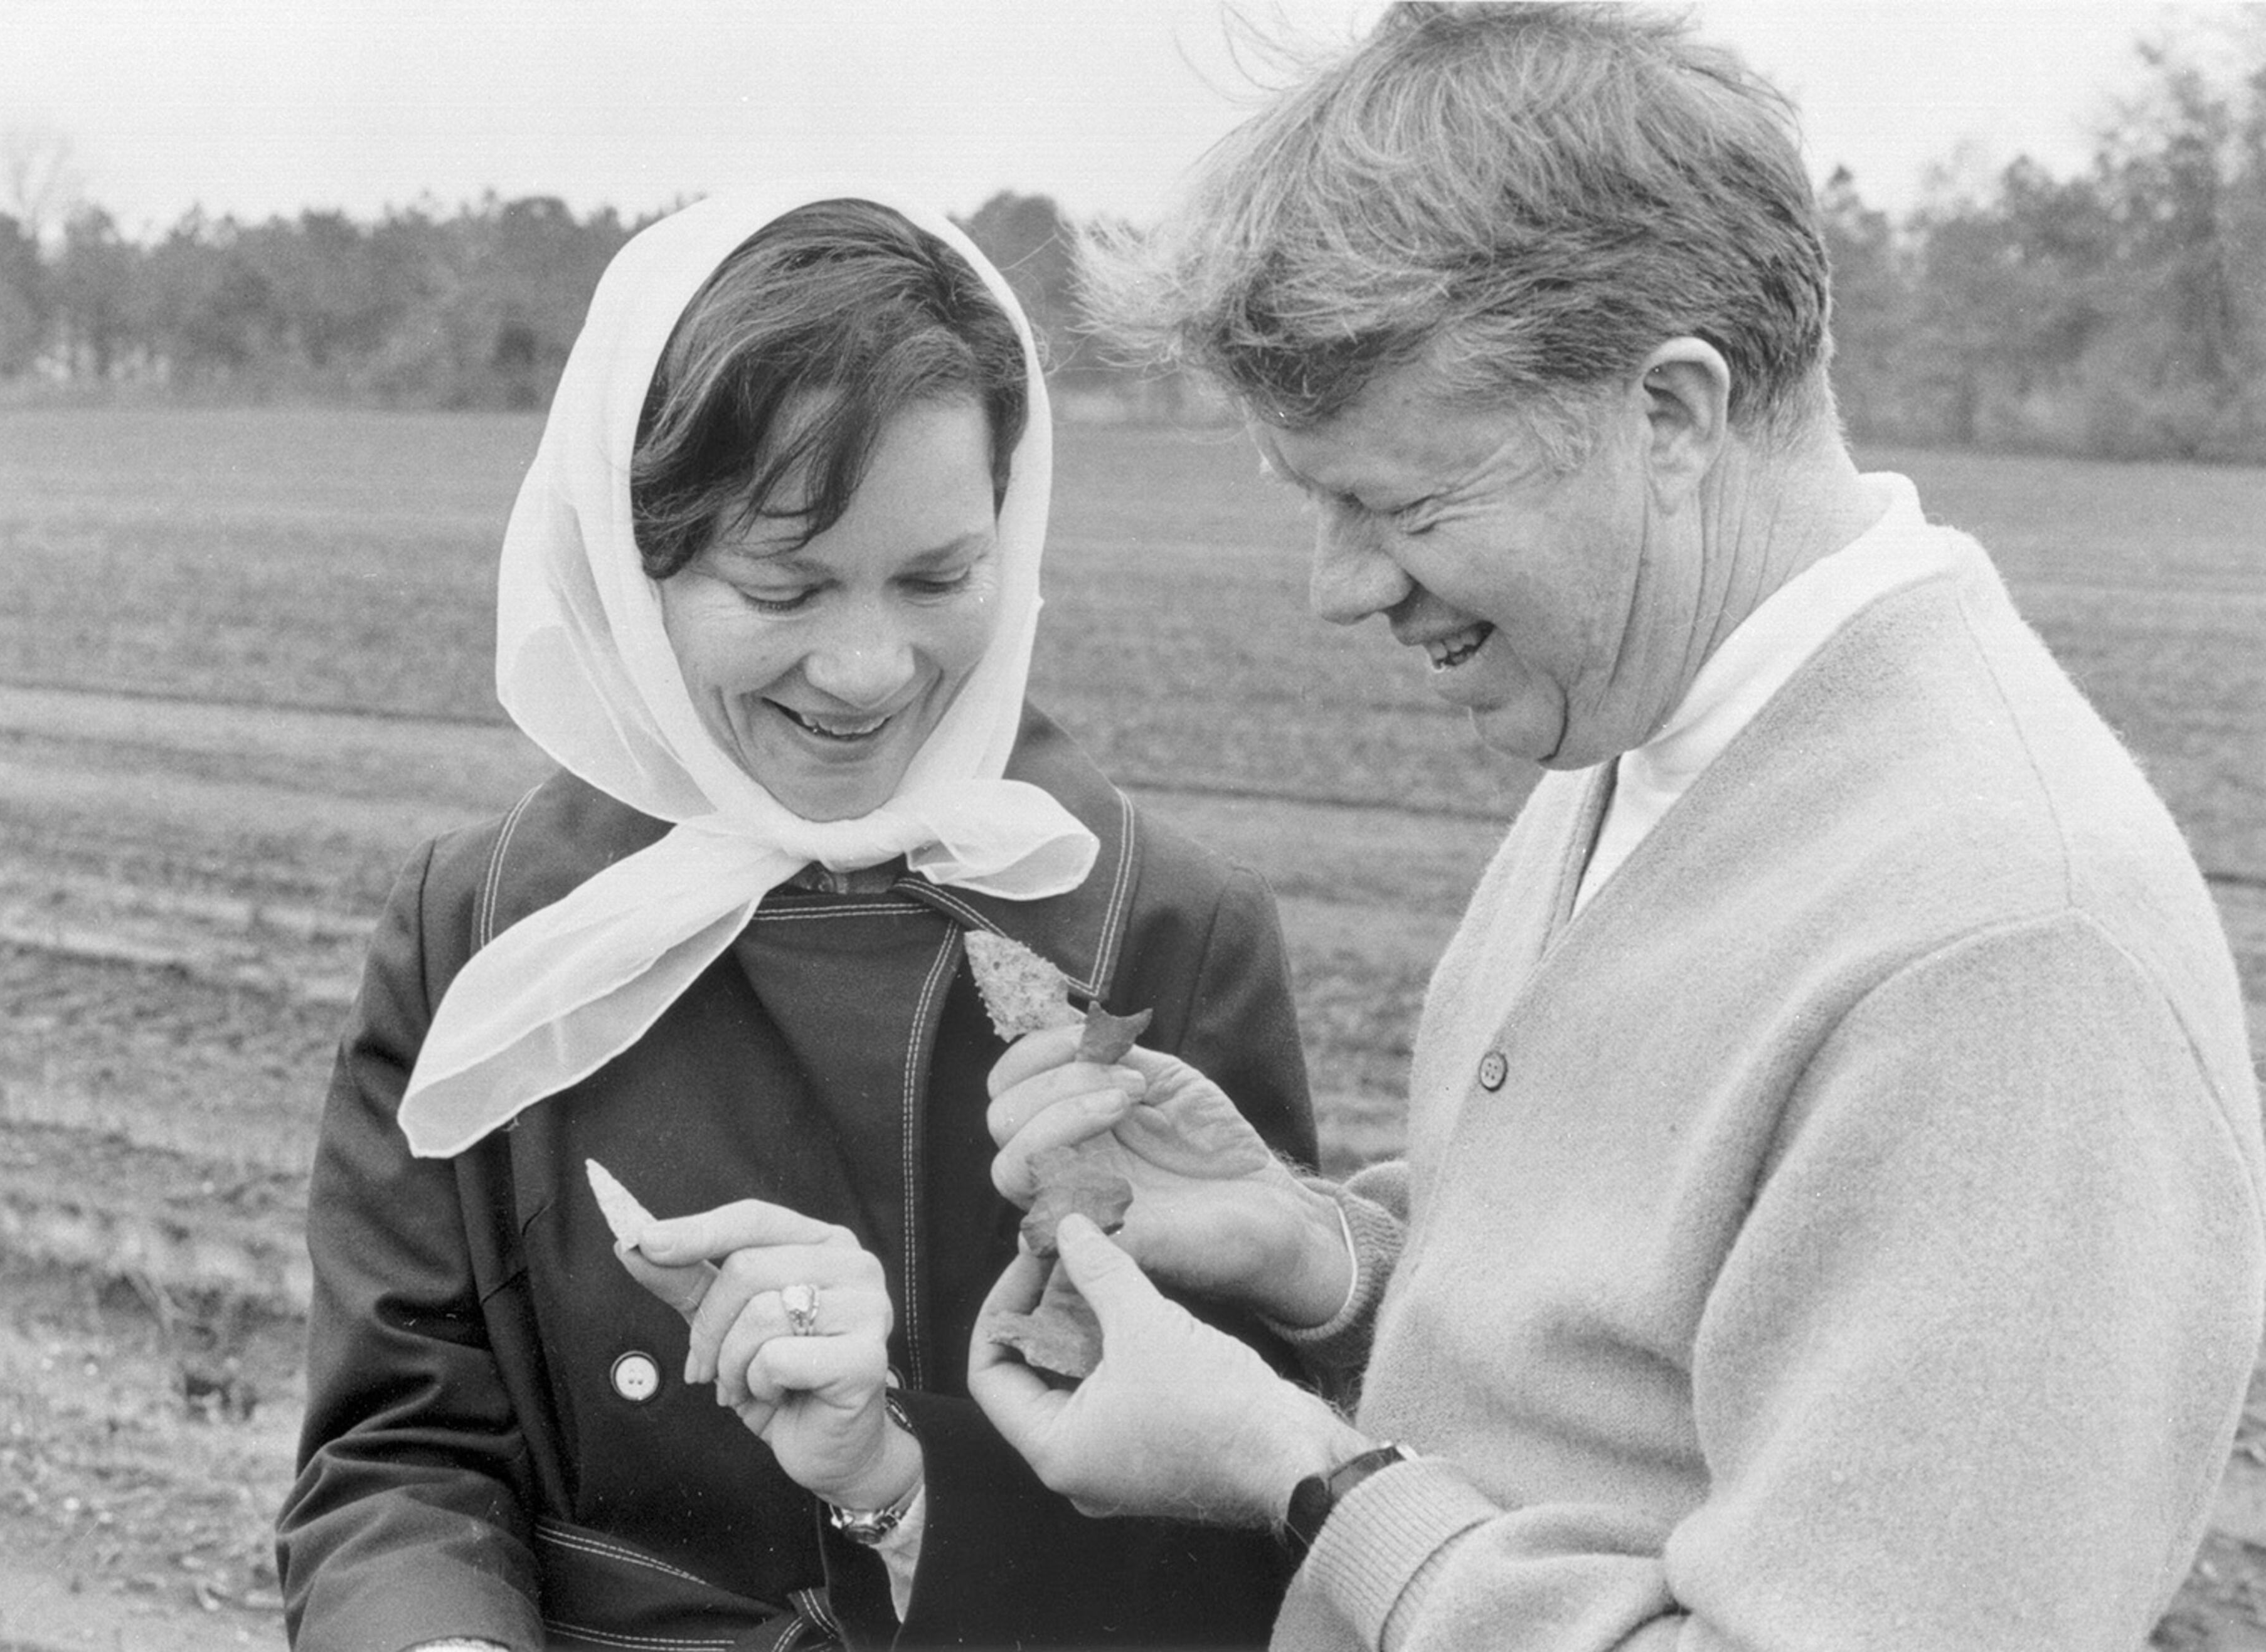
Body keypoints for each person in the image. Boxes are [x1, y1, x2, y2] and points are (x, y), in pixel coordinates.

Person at [967, 8, 2266, 1650]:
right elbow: (1628, 1363)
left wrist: (1296, 1468)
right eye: (1320, 501)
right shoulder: (1652, 726)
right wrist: (1319, 1248)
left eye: (1405, 504)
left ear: (1671, 413)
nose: (1340, 586)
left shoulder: (2011, 964)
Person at [277, 183, 1317, 1652]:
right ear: (637, 568)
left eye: (940, 577)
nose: (869, 668)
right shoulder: (486, 926)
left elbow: (1240, 1536)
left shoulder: (1159, 925)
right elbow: (400, 1452)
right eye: (786, 585)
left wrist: (905, 1494)